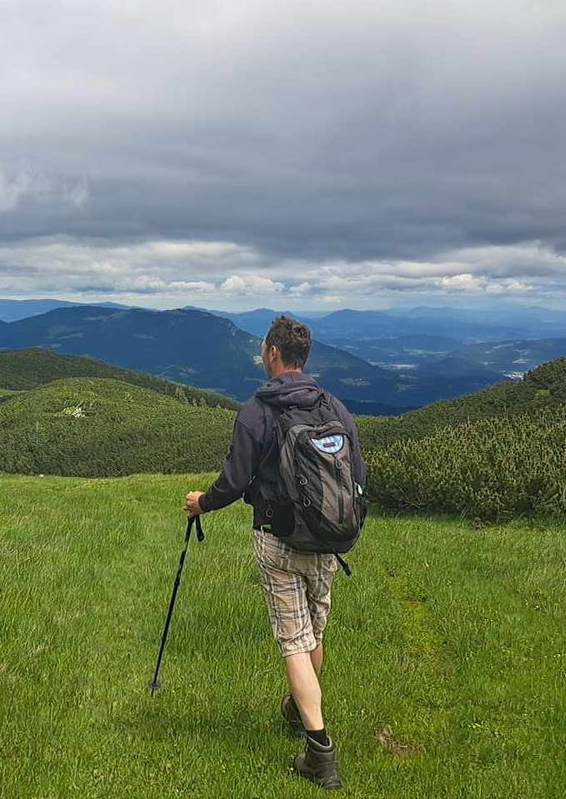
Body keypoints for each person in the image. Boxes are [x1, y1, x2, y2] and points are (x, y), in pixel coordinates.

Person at [184, 315, 365, 790]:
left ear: (272, 354)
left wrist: (200, 504)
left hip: (278, 538)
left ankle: (319, 751)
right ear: (303, 356)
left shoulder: (256, 411)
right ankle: (296, 707)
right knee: (313, 630)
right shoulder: (335, 408)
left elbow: (235, 481)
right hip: (327, 539)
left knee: (293, 640)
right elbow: (357, 477)